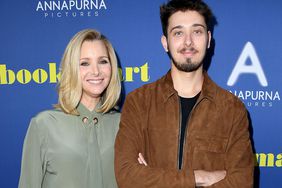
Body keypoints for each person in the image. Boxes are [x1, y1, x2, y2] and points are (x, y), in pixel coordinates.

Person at [114, 0, 254, 187]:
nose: (188, 41)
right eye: (178, 32)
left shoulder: (232, 109)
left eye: (197, 31)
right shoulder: (139, 102)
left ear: (209, 39)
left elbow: (242, 182)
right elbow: (128, 176)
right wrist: (199, 177)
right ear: (165, 43)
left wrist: (152, 177)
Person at [18, 29, 121, 188]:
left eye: (103, 61)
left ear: (112, 67)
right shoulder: (44, 125)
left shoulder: (125, 124)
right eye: (84, 63)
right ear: (71, 68)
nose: (95, 71)